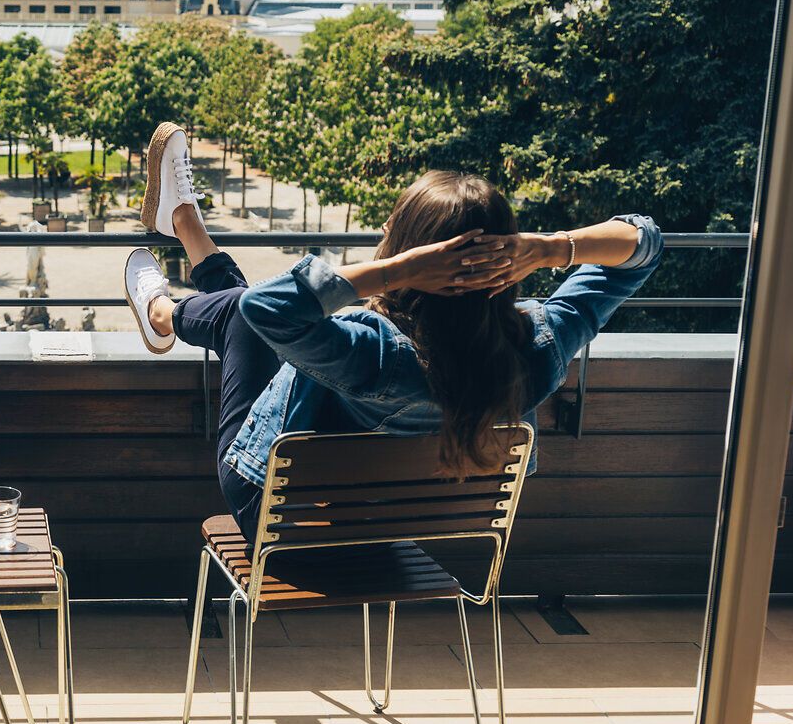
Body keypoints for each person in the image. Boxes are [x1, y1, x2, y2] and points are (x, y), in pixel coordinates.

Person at [121, 123, 663, 539]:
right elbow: (643, 244)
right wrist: (548, 250)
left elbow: (265, 309)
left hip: (283, 523)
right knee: (270, 327)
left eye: (393, 232)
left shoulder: (373, 351)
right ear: (510, 259)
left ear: (412, 252)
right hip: (401, 531)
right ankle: (186, 223)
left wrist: (396, 268)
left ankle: (163, 312)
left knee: (241, 314)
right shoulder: (542, 344)